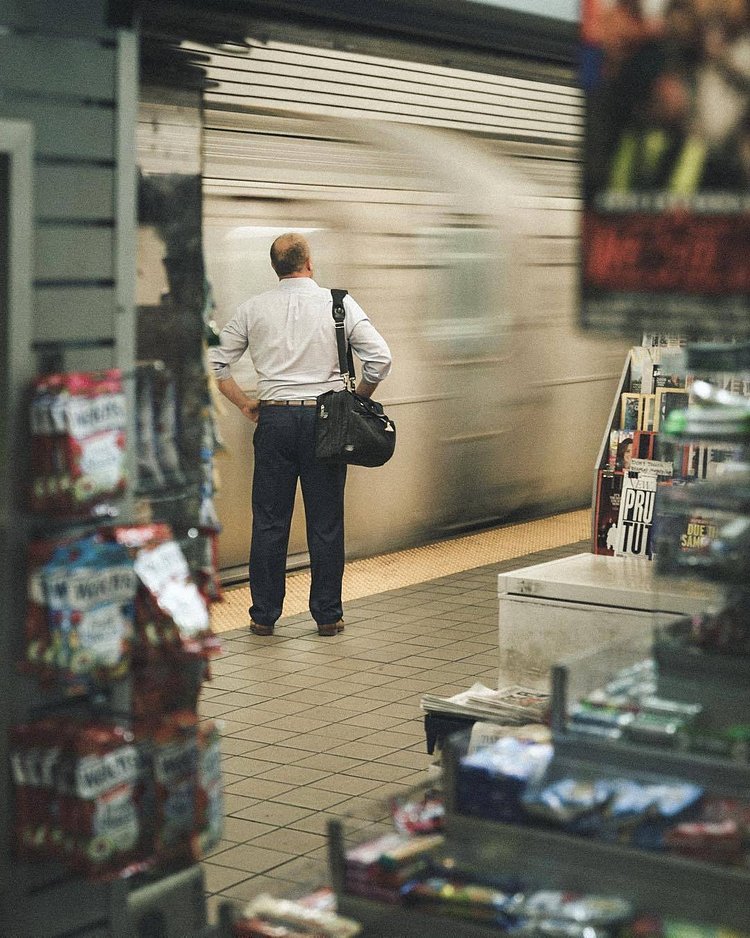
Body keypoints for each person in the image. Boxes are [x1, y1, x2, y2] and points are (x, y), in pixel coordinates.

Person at [209, 233, 392, 637]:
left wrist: (243, 402)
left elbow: (216, 363)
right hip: (325, 422)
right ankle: (327, 616)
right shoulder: (338, 303)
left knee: (270, 521)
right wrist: (357, 399)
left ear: (275, 267)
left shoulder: (253, 308)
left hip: (274, 421)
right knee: (326, 522)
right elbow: (380, 359)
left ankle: (263, 616)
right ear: (309, 263)